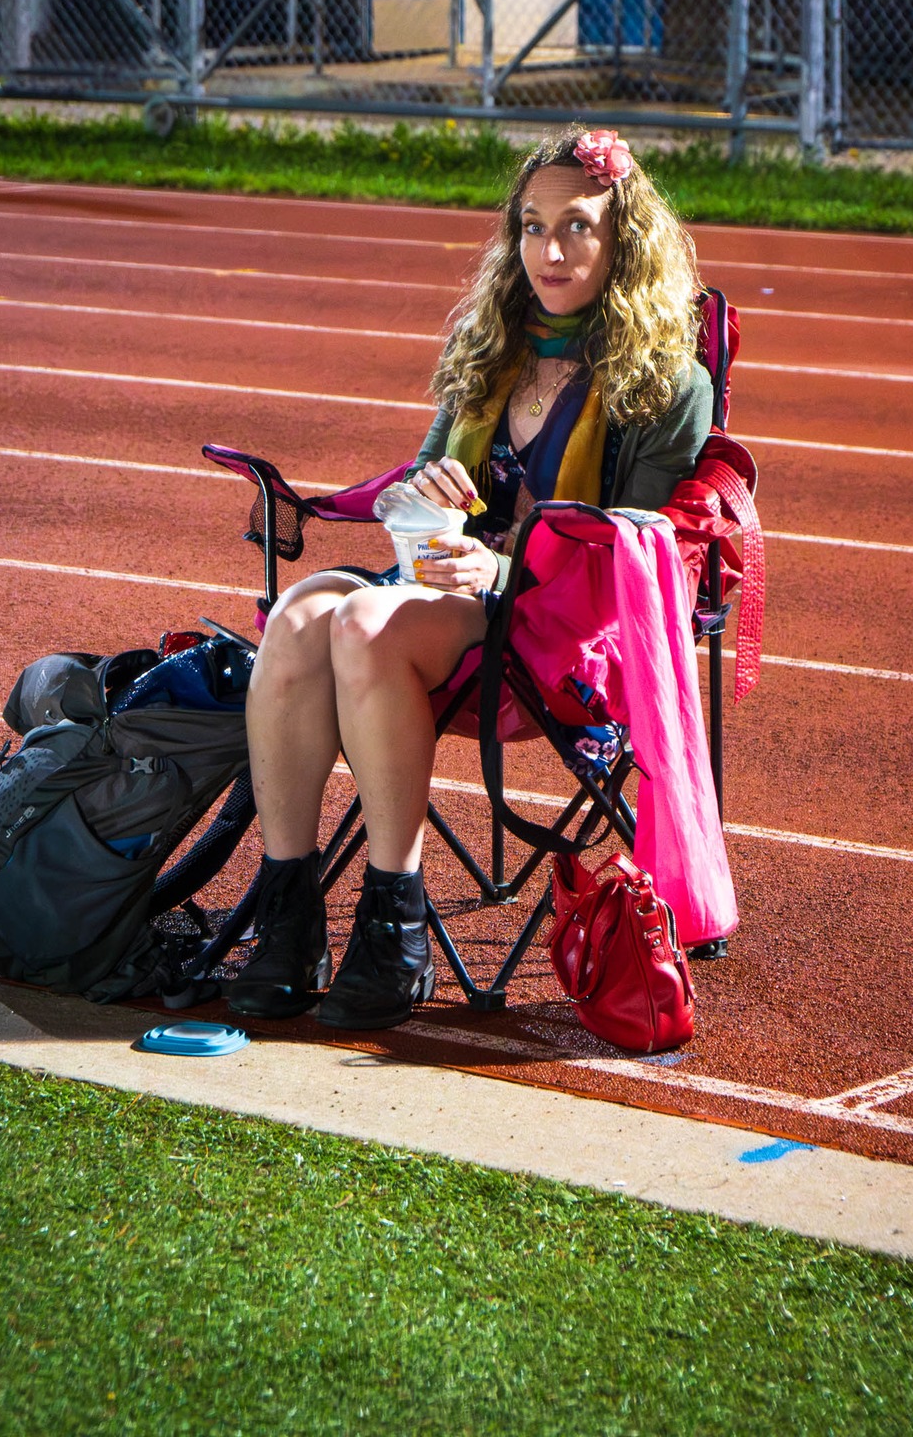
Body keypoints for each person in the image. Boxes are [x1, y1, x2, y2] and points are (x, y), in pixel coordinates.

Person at [229, 125, 713, 1031]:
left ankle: (394, 921)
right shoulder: (490, 343)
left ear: (623, 241)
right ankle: (287, 917)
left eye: (576, 227)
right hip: (449, 607)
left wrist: (502, 563)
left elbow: (639, 561)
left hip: (563, 637)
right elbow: (411, 489)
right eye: (531, 227)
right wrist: (430, 492)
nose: (550, 251)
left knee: (365, 621)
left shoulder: (668, 384)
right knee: (300, 611)